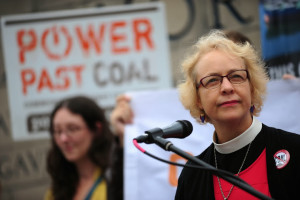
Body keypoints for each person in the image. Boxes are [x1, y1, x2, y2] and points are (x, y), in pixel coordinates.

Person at [174, 30, 300, 199]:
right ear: (198, 99)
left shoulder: (296, 150)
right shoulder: (192, 176)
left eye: (236, 76)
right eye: (212, 80)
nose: (227, 87)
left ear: (252, 86)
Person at [44, 96, 123, 200]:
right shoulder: (58, 187)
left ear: (96, 129)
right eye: (58, 131)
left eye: (72, 129)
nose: (63, 139)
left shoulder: (115, 179)